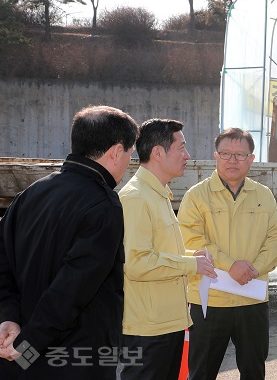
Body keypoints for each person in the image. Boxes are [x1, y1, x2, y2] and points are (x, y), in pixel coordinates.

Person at [0, 106, 138, 379]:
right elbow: (72, 290)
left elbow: (4, 265)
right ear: (115, 151)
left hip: (19, 357)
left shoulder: (30, 194)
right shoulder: (103, 205)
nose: (128, 163)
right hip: (73, 361)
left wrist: (8, 319)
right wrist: (28, 345)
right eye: (130, 155)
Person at [178, 127, 277, 380]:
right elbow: (191, 240)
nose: (232, 160)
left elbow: (276, 239)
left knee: (254, 370)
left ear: (251, 159)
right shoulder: (197, 196)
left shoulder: (263, 195)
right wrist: (230, 265)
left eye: (240, 155)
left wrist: (254, 269)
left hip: (252, 299)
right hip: (210, 301)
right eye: (226, 154)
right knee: (202, 372)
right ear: (215, 156)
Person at [118, 119, 216, 380]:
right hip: (148, 330)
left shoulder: (159, 193)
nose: (188, 155)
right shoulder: (137, 197)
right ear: (158, 153)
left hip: (168, 323)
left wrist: (190, 257)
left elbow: (159, 252)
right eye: (181, 148)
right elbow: (137, 263)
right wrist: (190, 265)